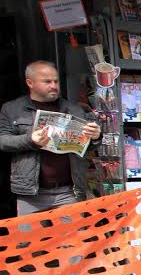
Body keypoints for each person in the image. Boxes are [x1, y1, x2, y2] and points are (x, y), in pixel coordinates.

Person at [0, 60, 102, 214]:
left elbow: (85, 146)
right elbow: (3, 141)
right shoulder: (12, 109)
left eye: (56, 81)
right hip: (31, 194)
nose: (54, 86)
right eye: (47, 81)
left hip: (69, 192)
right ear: (30, 83)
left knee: (73, 237)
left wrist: (95, 137)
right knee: (31, 237)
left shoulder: (73, 109)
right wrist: (30, 140)